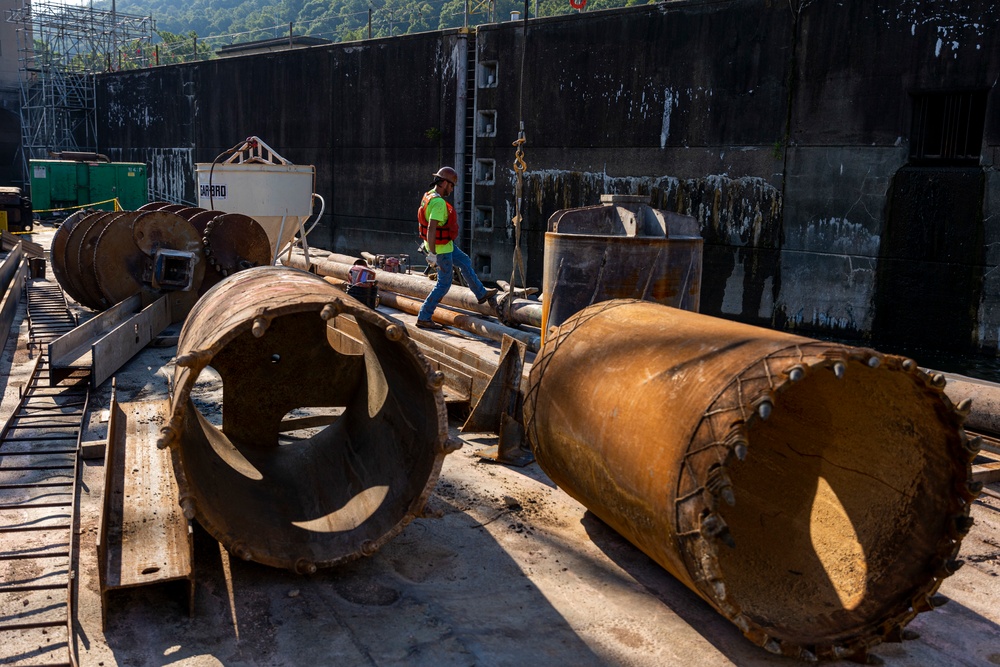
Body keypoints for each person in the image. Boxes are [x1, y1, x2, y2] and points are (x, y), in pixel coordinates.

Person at [416, 166, 497, 329]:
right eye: (452, 185)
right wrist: (432, 254)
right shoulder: (438, 203)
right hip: (441, 250)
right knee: (443, 284)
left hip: (446, 245)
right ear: (444, 183)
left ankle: (480, 294)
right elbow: (432, 228)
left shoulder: (429, 196)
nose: (452, 189)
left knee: (465, 261)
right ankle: (424, 316)